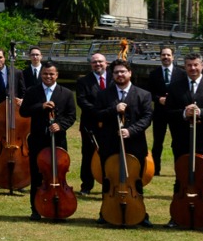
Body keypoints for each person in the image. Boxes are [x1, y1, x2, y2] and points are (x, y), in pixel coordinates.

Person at [93, 59, 153, 224]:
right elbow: (97, 115)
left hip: (135, 144)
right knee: (108, 179)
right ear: (112, 75)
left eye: (123, 71)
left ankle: (141, 214)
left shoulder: (143, 94)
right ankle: (105, 212)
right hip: (110, 144)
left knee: (136, 180)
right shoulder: (104, 94)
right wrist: (114, 109)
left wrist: (130, 131)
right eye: (116, 72)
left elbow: (147, 118)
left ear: (130, 73)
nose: (120, 75)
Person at [167, 53, 203, 205]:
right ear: (184, 67)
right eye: (189, 65)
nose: (193, 68)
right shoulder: (174, 87)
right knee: (181, 178)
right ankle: (178, 212)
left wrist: (201, 112)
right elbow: (167, 113)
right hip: (182, 142)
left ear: (202, 66)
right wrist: (183, 113)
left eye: (196, 65)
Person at [19, 63, 76, 219]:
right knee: (37, 174)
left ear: (57, 75)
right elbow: (23, 111)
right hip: (38, 140)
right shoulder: (32, 91)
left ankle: (59, 206)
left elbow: (71, 116)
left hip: (58, 140)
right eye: (45, 74)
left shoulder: (66, 93)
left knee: (58, 174)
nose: (48, 77)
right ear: (41, 74)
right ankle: (36, 209)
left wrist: (61, 125)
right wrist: (41, 106)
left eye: (51, 74)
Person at [74, 52, 109, 193]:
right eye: (94, 62)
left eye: (100, 61)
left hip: (110, 123)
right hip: (90, 124)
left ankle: (108, 184)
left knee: (110, 154)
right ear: (91, 65)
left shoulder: (114, 78)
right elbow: (81, 101)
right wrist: (99, 112)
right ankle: (86, 186)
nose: (97, 64)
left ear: (106, 63)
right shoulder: (83, 81)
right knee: (88, 154)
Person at [144, 46, 178, 173]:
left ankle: (178, 168)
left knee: (177, 142)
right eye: (163, 55)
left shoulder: (181, 74)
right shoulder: (154, 74)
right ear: (160, 57)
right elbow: (148, 93)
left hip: (176, 113)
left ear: (173, 57)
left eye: (168, 55)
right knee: (158, 142)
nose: (166, 57)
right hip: (159, 113)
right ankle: (155, 169)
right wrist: (158, 99)